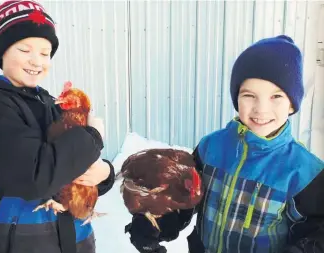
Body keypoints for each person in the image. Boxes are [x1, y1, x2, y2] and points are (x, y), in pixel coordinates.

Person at [125, 35, 324, 253]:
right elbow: (186, 198)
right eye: (249, 95)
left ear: (292, 105)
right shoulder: (211, 147)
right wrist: (157, 224)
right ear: (236, 98)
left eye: (276, 96)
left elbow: (315, 232)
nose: (261, 109)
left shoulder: (306, 172)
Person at [0, 1, 115, 252]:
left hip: (71, 239)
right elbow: (37, 177)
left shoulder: (48, 102)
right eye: (24, 49)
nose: (36, 61)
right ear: (2, 52)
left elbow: (74, 161)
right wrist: (93, 135)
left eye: (45, 53)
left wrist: (104, 173)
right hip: (21, 242)